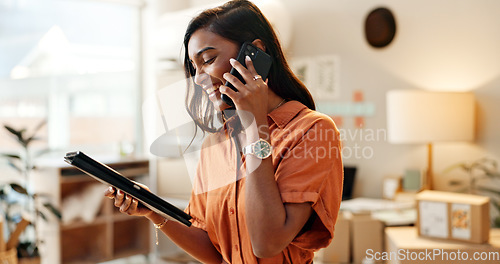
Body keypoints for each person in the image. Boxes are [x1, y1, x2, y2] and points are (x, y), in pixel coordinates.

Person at [105, 1, 343, 263]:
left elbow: (267, 243)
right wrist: (153, 210)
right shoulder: (216, 143)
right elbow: (215, 252)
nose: (198, 78)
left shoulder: (312, 131)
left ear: (254, 53)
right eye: (194, 68)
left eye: (207, 60)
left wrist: (254, 125)